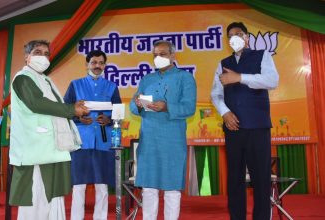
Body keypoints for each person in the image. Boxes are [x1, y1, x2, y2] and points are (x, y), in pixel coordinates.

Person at [9, 40, 89, 220]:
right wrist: (71, 110)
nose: (43, 57)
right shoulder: (23, 78)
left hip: (49, 148)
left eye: (46, 54)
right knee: (35, 197)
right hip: (34, 149)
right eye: (38, 52)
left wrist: (75, 114)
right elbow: (36, 104)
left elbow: (55, 109)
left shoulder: (45, 80)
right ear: (27, 57)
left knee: (52, 195)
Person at [210, 22, 279, 220]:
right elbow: (216, 94)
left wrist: (239, 78)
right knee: (235, 180)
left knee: (261, 179)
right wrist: (224, 113)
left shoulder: (262, 55)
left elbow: (272, 81)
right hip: (233, 128)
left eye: (239, 34)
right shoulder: (222, 63)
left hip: (258, 127)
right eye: (230, 36)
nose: (235, 38)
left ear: (247, 37)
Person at [130, 40, 197, 220]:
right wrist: (137, 104)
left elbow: (189, 108)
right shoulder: (147, 79)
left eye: (162, 54)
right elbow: (133, 104)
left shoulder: (185, 78)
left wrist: (167, 107)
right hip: (149, 138)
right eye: (155, 55)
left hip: (172, 139)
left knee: (172, 188)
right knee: (149, 188)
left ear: (173, 56)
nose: (158, 58)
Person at [64, 50, 121, 220]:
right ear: (87, 64)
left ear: (105, 65)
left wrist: (109, 119)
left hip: (103, 142)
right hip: (81, 141)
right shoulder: (75, 85)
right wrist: (78, 116)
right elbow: (65, 110)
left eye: (101, 63)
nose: (97, 66)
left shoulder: (111, 87)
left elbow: (118, 112)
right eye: (94, 62)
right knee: (79, 185)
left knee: (102, 185)